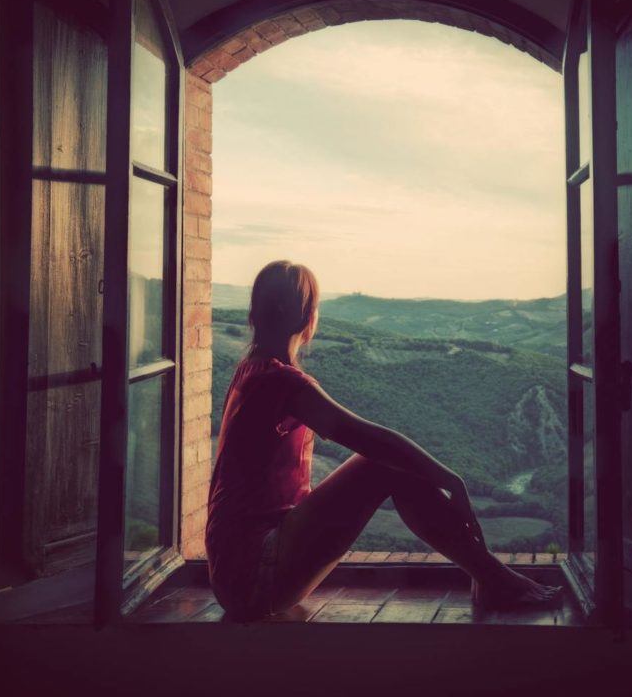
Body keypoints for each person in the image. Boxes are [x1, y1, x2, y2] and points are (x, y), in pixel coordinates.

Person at [205, 260, 562, 622]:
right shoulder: (282, 382)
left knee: (388, 463)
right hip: (254, 576)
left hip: (236, 573)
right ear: (304, 316)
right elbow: (372, 440)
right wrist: (449, 479)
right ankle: (491, 577)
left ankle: (487, 575)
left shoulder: (252, 370)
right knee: (382, 465)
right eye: (315, 305)